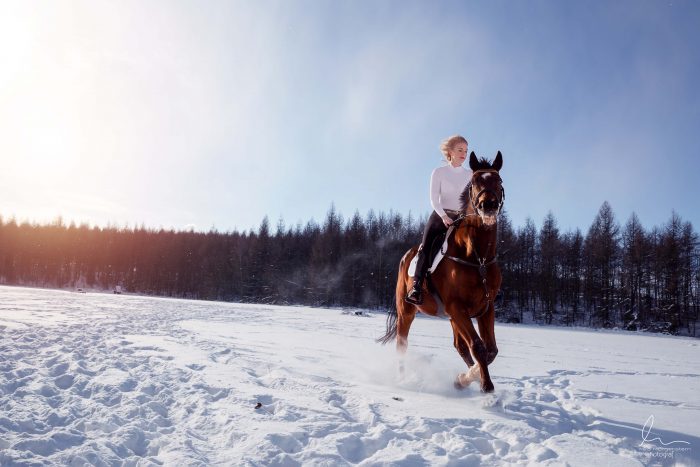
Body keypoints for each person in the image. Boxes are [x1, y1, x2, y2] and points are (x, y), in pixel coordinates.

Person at [405, 135, 472, 305]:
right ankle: (416, 287)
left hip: (462, 218)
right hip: (440, 216)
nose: (464, 153)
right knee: (426, 248)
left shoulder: (470, 174)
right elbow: (434, 199)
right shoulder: (439, 172)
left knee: (479, 246)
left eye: (466, 150)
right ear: (450, 152)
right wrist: (444, 216)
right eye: (460, 150)